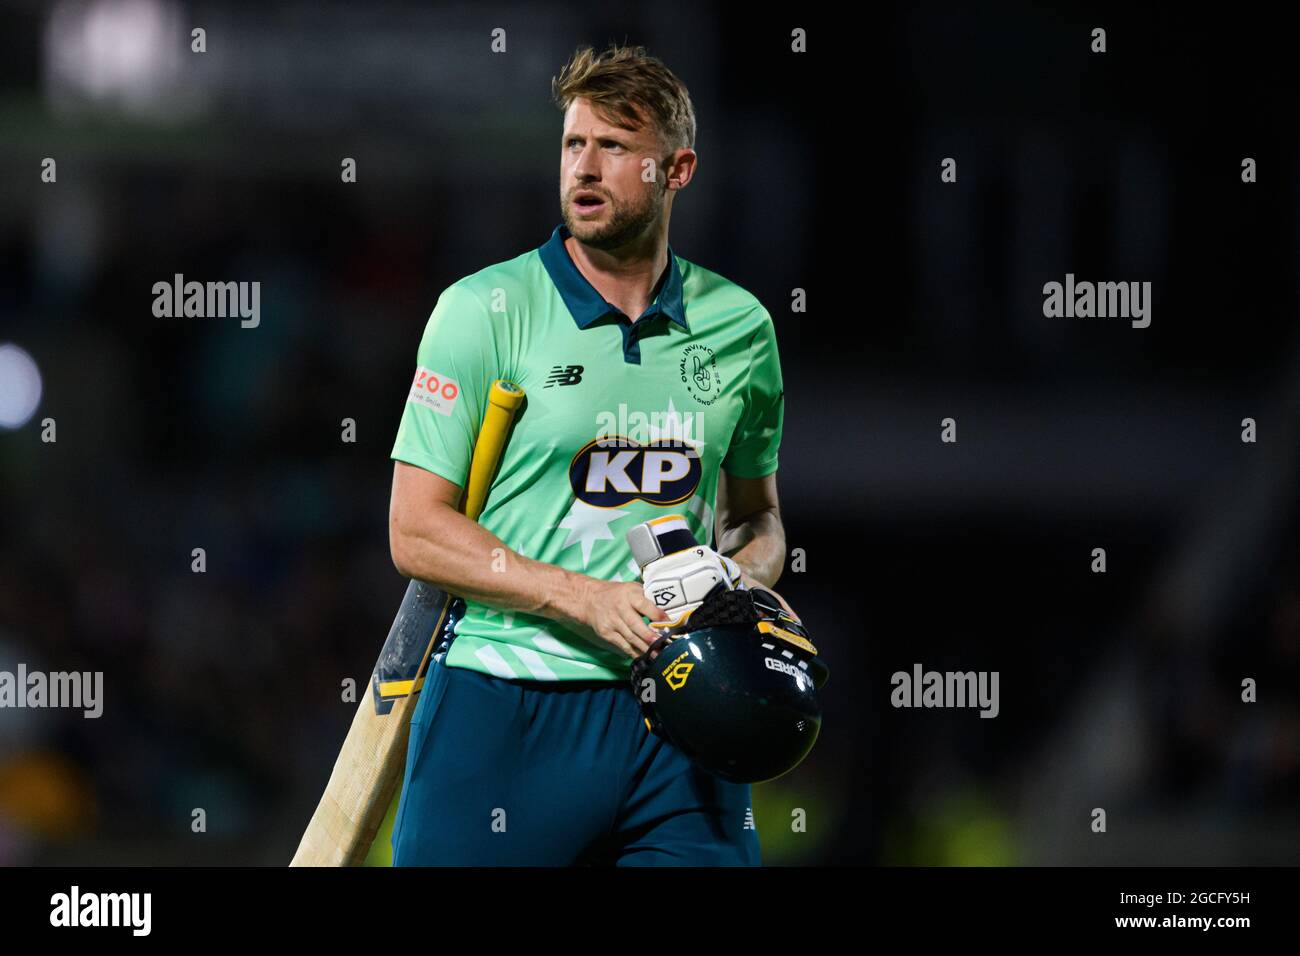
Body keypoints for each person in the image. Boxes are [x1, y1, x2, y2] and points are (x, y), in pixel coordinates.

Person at [388, 43, 794, 865]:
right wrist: (583, 599)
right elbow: (416, 532)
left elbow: (757, 517)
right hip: (504, 706)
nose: (586, 166)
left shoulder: (742, 327)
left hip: (683, 715)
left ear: (676, 170)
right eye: (575, 144)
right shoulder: (483, 311)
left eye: (614, 148)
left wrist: (738, 582)